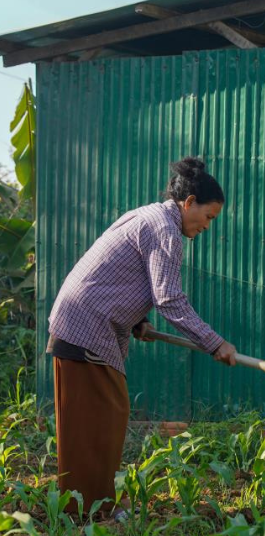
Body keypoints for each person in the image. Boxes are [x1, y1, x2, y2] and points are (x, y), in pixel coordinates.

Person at [46, 157, 237, 517]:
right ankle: (86, 510)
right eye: (208, 217)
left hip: (84, 322)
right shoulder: (165, 230)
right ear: (189, 202)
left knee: (103, 417)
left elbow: (120, 274)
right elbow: (169, 298)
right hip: (86, 326)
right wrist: (215, 342)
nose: (207, 226)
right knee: (98, 418)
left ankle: (94, 504)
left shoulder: (150, 216)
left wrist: (139, 322)